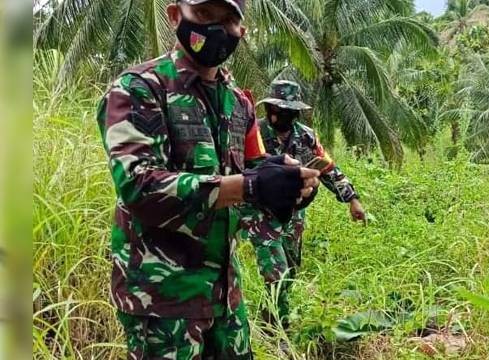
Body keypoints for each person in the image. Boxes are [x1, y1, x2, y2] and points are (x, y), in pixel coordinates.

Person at [96, 1, 320, 358]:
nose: (217, 28)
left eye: (228, 19)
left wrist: (290, 186)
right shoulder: (139, 89)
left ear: (241, 32)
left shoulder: (238, 104)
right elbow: (139, 187)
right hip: (162, 299)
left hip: (226, 296)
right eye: (204, 15)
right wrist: (249, 186)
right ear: (174, 15)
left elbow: (252, 173)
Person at [239, 80, 366, 331]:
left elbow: (328, 169)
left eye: (287, 112)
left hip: (293, 212)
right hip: (260, 213)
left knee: (291, 269)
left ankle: (268, 318)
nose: (279, 116)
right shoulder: (254, 134)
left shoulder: (306, 136)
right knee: (277, 271)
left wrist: (352, 199)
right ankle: (279, 329)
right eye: (276, 110)